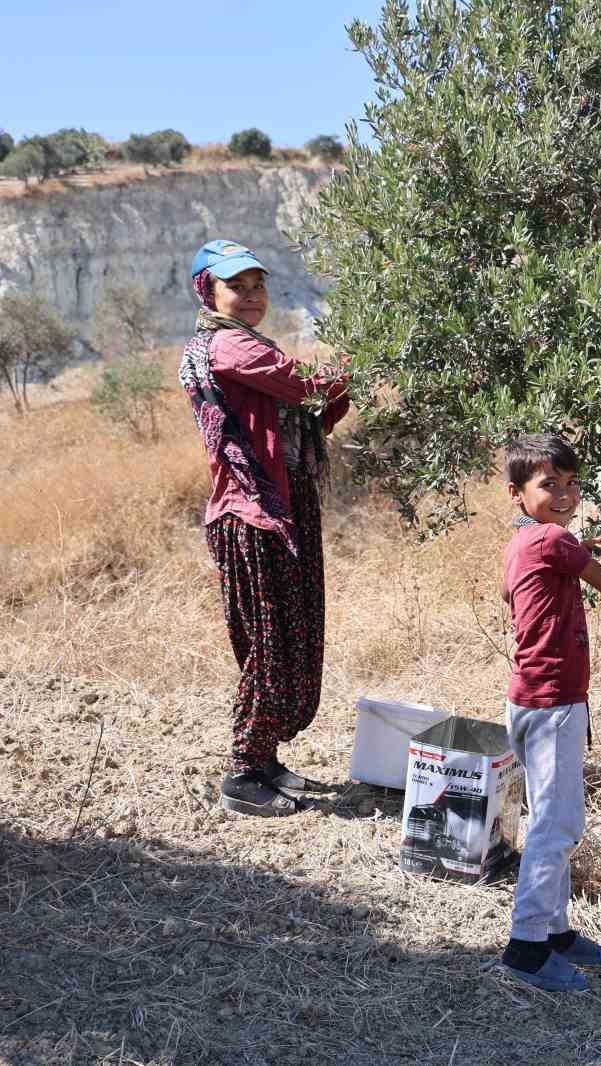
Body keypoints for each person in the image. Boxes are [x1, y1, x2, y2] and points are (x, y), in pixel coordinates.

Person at [180, 239, 349, 817]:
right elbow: (304, 384)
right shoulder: (227, 346)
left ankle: (266, 758)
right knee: (273, 643)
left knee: (289, 635)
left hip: (282, 506)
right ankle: (243, 772)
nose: (251, 297)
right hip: (255, 513)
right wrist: (357, 363)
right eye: (237, 287)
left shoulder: (247, 344)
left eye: (258, 286)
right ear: (209, 291)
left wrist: (334, 383)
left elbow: (310, 406)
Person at [498, 433, 601, 993]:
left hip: (530, 699)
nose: (565, 495)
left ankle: (555, 931)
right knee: (557, 825)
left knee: (549, 815)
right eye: (549, 485)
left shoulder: (524, 543)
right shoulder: (553, 539)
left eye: (572, 484)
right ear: (517, 492)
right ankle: (527, 948)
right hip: (554, 703)